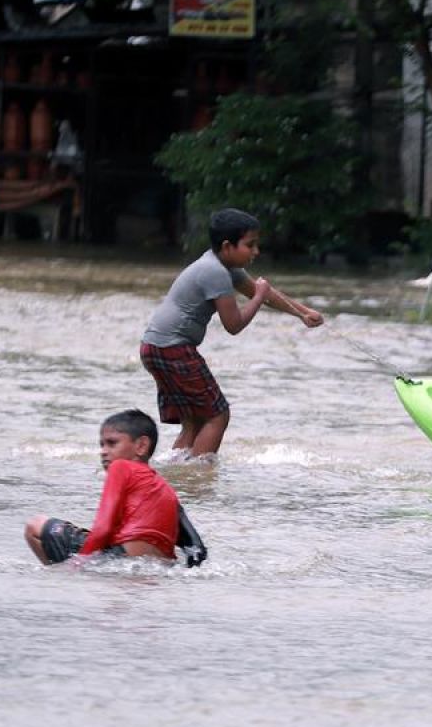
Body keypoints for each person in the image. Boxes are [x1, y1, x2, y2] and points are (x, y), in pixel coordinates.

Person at [140, 208, 324, 458]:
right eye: (250, 245)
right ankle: (199, 477)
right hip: (173, 347)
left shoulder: (223, 266)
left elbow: (263, 293)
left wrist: (302, 313)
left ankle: (178, 477)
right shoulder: (215, 272)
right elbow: (234, 325)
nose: (256, 252)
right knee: (217, 415)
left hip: (153, 346)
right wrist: (258, 297)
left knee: (194, 421)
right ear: (227, 246)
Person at [24, 410, 183, 565]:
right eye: (102, 445)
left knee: (34, 525)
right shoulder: (165, 488)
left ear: (141, 445)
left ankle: (57, 576)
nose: (103, 452)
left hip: (121, 558)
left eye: (112, 443)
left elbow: (103, 528)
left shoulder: (120, 467)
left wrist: (79, 563)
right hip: (160, 566)